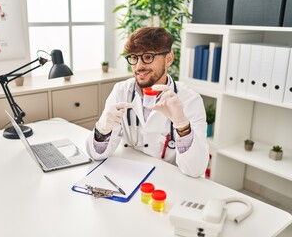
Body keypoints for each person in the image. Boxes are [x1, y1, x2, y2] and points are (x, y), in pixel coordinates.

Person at [86, 27, 208, 178]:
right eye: (134, 57)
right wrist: (102, 129)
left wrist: (182, 125)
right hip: (130, 176)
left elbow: (195, 170)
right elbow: (96, 155)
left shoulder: (190, 100)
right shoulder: (121, 91)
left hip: (170, 183)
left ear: (169, 58)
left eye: (148, 57)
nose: (139, 66)